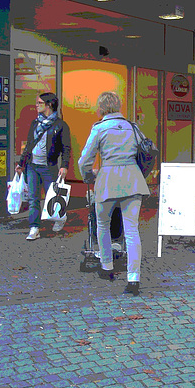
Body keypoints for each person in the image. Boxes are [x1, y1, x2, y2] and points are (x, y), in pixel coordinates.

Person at [78, 91, 150, 296]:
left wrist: (88, 177)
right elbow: (144, 149)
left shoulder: (99, 128)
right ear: (119, 106)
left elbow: (85, 159)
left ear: (100, 108)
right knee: (132, 230)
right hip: (133, 180)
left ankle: (107, 266)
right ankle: (133, 278)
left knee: (102, 224)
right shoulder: (132, 127)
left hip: (107, 179)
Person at [16, 92, 71, 241]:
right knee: (33, 198)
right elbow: (29, 145)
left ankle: (59, 218)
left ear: (49, 105)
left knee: (51, 197)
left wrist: (64, 165)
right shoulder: (35, 123)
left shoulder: (60, 125)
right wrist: (21, 163)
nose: (36, 105)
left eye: (40, 103)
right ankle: (34, 227)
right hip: (32, 166)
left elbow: (66, 147)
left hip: (49, 166)